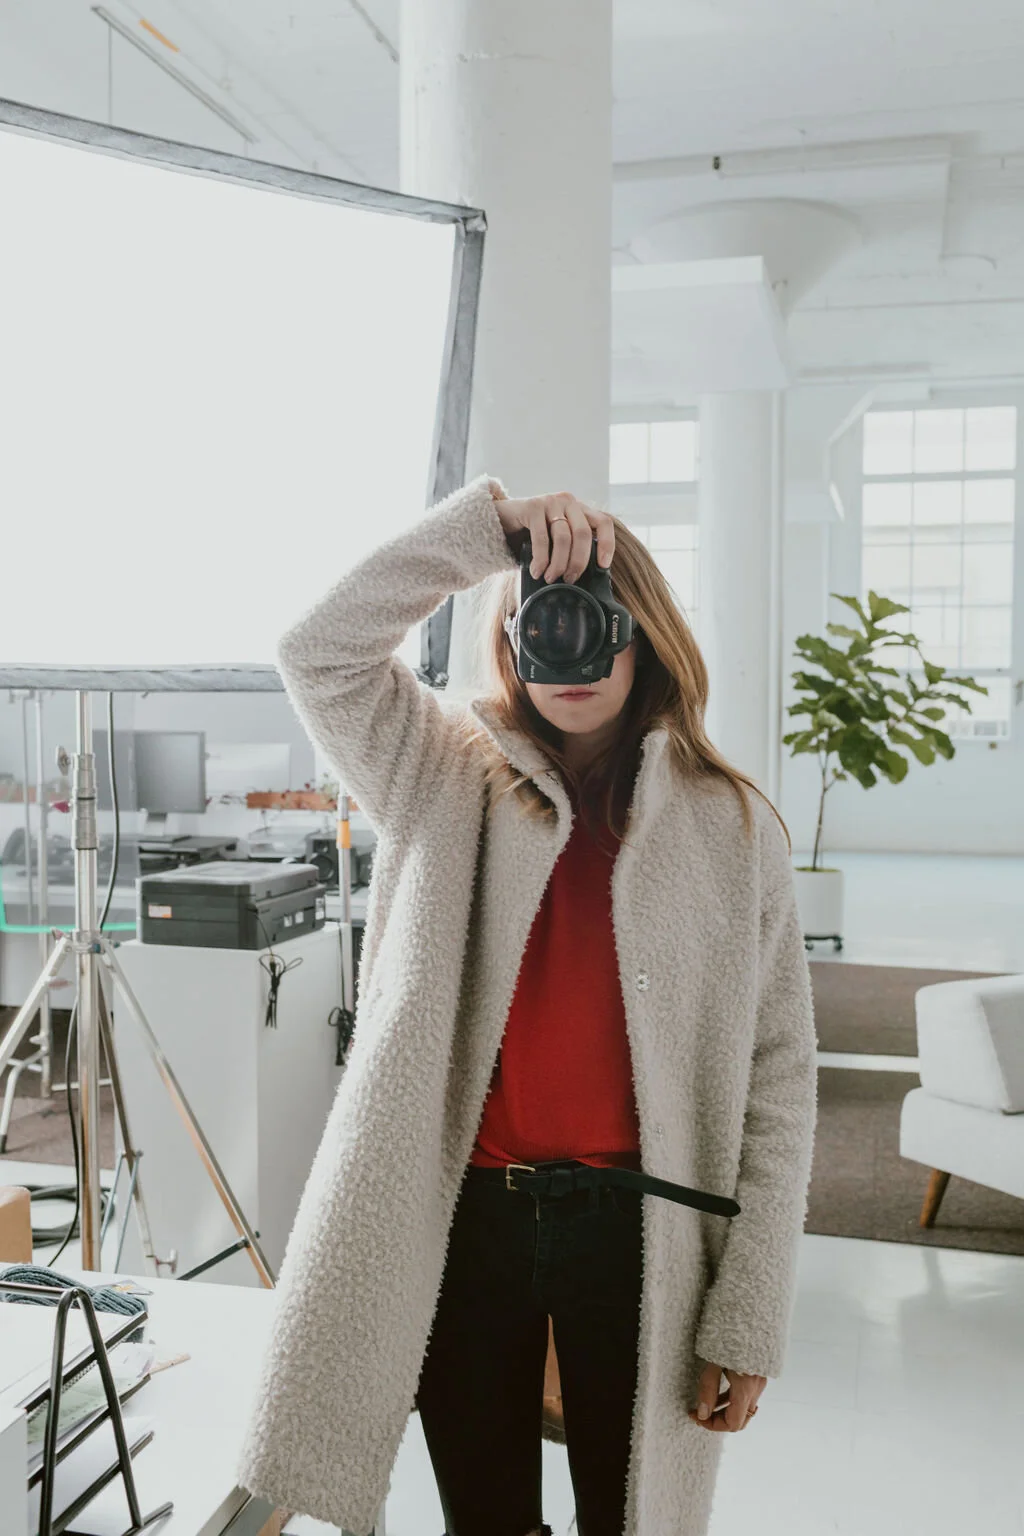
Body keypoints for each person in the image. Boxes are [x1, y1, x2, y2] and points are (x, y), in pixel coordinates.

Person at [238, 474, 818, 1536]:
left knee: (631, 1516)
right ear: (508, 642)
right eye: (541, 624)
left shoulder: (732, 828)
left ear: (646, 641)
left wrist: (751, 1306)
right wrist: (485, 536)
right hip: (465, 1224)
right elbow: (317, 649)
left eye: (599, 626)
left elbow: (778, 1080)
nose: (572, 654)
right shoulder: (436, 770)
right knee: (486, 1522)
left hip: (644, 1234)